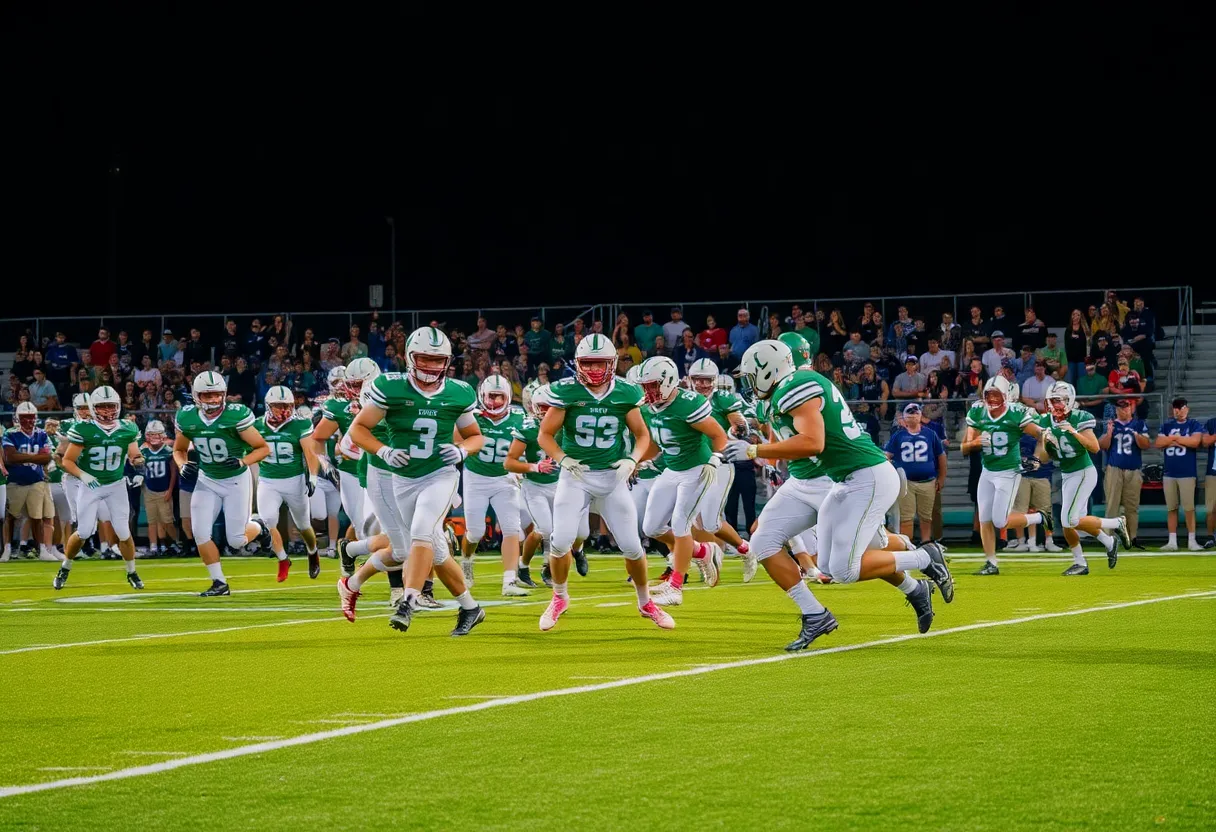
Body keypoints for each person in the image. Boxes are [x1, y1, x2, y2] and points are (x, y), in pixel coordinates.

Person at [737, 340, 954, 649]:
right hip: (839, 479)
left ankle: (923, 556)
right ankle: (817, 615)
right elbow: (786, 437)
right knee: (785, 549)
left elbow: (813, 442)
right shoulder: (777, 395)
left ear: (770, 369)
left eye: (749, 376)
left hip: (857, 477)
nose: (747, 385)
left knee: (844, 567)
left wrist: (753, 449)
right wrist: (757, 448)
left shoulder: (799, 385)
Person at [342, 327, 487, 636]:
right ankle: (471, 607)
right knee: (434, 550)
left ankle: (408, 601)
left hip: (440, 474)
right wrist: (383, 450)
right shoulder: (390, 387)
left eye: (438, 361)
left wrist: (461, 450)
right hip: (403, 479)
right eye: (425, 359)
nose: (432, 367)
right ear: (410, 357)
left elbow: (476, 437)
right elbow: (358, 430)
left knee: (420, 533)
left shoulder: (459, 392)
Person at [534, 333, 669, 631]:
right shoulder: (566, 392)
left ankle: (646, 601)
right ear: (578, 364)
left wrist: (633, 459)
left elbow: (642, 435)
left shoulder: (625, 392)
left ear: (612, 363)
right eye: (588, 363)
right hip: (576, 476)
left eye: (600, 363)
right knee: (559, 541)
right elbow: (545, 434)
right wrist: (562, 459)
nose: (594, 369)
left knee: (633, 547)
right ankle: (559, 597)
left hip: (611, 477)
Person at [637, 356, 734, 607]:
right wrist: (636, 461)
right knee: (652, 527)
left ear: (668, 381)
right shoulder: (650, 408)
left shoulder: (688, 404)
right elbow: (658, 443)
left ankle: (676, 586)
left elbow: (718, 434)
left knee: (681, 524)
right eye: (645, 386)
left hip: (697, 468)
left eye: (652, 385)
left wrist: (716, 458)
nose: (648, 391)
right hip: (673, 468)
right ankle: (703, 551)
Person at [173, 371, 275, 596]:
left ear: (224, 394)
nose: (212, 400)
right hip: (206, 479)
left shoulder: (235, 415)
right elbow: (179, 450)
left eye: (217, 395)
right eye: (207, 395)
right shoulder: (187, 417)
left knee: (236, 541)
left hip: (235, 480)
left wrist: (242, 461)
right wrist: (182, 465)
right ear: (196, 396)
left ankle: (259, 527)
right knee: (200, 533)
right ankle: (219, 582)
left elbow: (263, 448)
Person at [52, 387, 146, 590]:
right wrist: (84, 475)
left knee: (123, 531)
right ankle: (65, 567)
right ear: (94, 409)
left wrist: (140, 469)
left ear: (118, 407)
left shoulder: (127, 428)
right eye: (102, 407)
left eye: (110, 406)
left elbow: (135, 455)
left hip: (116, 484)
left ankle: (132, 572)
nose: (107, 411)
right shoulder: (83, 429)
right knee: (84, 531)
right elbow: (67, 461)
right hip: (91, 486)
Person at [963, 376, 1051, 575]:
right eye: (989, 395)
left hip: (1008, 471)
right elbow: (966, 445)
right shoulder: (977, 410)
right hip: (987, 470)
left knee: (1000, 521)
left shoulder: (1016, 413)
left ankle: (1039, 517)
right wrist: (975, 443)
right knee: (985, 519)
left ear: (1005, 396)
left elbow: (1042, 434)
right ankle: (991, 563)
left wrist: (1037, 458)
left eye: (996, 395)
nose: (992, 400)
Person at [1041, 382, 1131, 575]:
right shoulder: (1046, 421)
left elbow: (1095, 447)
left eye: (1059, 400)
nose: (1055, 405)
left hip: (1083, 472)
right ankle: (1088, 556)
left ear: (1069, 401)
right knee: (1070, 522)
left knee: (1069, 520)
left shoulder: (1080, 418)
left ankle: (1116, 524)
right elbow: (1045, 457)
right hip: (1067, 474)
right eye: (1052, 401)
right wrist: (1046, 442)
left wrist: (1073, 431)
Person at [458, 374, 531, 597]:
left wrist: (523, 463)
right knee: (475, 532)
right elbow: (455, 440)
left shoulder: (519, 417)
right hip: (476, 477)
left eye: (500, 397)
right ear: (482, 396)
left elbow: (529, 443)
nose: (496, 402)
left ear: (509, 397)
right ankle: (467, 559)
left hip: (504, 478)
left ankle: (509, 581)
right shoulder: (473, 417)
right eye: (491, 396)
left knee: (511, 528)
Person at [253, 385, 320, 580]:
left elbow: (310, 452)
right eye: (279, 406)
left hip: (294, 480)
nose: (285, 410)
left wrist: (313, 477)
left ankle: (312, 551)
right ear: (268, 406)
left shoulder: (300, 424)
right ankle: (283, 559)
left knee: (303, 524)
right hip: (268, 480)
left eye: (288, 406)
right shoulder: (256, 425)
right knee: (267, 522)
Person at [504, 383, 562, 588]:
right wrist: (535, 467)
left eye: (550, 406)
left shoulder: (565, 426)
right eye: (542, 406)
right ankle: (523, 565)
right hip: (535, 486)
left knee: (560, 531)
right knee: (545, 528)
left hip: (559, 485)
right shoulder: (528, 429)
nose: (546, 411)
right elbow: (509, 462)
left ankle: (548, 567)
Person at [885, 403, 946, 545]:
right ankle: (908, 543)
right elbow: (887, 456)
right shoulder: (898, 436)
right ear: (904, 418)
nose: (913, 415)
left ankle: (926, 542)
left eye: (916, 412)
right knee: (906, 516)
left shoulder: (930, 434)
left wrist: (941, 478)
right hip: (907, 482)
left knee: (926, 516)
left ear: (920, 416)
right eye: (909, 413)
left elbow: (941, 456)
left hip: (928, 481)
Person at [3, 403, 57, 561]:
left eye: (31, 417)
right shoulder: (11, 433)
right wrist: (36, 458)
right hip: (15, 481)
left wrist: (22, 457)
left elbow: (47, 457)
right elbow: (10, 457)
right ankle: (7, 549)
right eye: (24, 417)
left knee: (37, 517)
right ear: (18, 418)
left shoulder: (41, 434)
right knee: (11, 516)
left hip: (36, 480)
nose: (28, 421)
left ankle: (42, 550)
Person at [1155, 398, 1204, 551]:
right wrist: (1181, 440)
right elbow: (1158, 444)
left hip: (1187, 473)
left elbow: (1194, 442)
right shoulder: (1166, 425)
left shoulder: (1193, 424)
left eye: (1181, 408)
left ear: (1187, 409)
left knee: (1189, 508)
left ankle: (1192, 540)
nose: (1179, 411)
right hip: (1169, 473)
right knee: (1171, 508)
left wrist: (1173, 439)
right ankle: (1172, 541)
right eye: (1176, 408)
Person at [1100, 399, 1149, 550]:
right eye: (1120, 407)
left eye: (1126, 407)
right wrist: (1109, 433)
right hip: (1114, 468)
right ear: (1116, 410)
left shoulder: (1139, 424)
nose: (1123, 410)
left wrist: (1137, 435)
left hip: (1133, 469)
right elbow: (1101, 445)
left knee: (1132, 506)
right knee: (1112, 504)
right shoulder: (1111, 425)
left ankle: (1132, 538)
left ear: (1131, 408)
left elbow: (1146, 445)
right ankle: (1109, 538)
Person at [1006, 432, 1061, 553]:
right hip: (1021, 475)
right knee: (1020, 510)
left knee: (1045, 510)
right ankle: (1023, 541)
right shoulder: (1016, 433)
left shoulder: (1045, 432)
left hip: (1042, 475)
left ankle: (1048, 541)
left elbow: (1050, 455)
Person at [139, 420, 179, 557]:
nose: (155, 437)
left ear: (163, 435)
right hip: (149, 490)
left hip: (164, 490)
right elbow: (139, 469)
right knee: (152, 521)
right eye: (152, 434)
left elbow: (174, 472)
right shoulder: (144, 451)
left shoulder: (168, 452)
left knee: (167, 521)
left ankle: (175, 542)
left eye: (158, 434)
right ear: (147, 436)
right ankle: (154, 546)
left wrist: (170, 490)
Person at [1063, 309, 1091, 384]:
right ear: (1071, 316)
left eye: (1078, 315)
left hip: (1082, 360)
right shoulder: (1068, 329)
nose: (1075, 316)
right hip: (1071, 360)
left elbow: (1087, 344)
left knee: (1082, 381)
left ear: (1081, 317)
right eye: (1074, 314)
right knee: (1072, 381)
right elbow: (1066, 345)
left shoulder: (1085, 329)